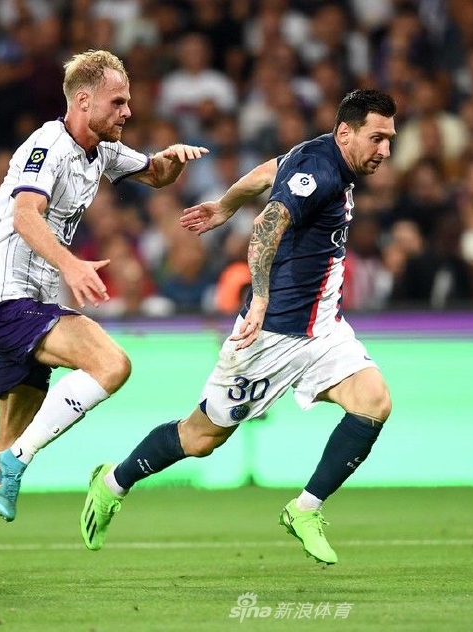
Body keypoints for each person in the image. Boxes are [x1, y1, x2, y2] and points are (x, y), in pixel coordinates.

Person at [0, 49, 207, 588]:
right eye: (118, 102)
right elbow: (25, 214)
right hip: (9, 303)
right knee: (112, 365)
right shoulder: (47, 146)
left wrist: (173, 160)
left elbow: (156, 173)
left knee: (4, 441)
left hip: (25, 307)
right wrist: (70, 264)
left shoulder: (101, 150)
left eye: (128, 102)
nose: (128, 111)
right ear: (83, 101)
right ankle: (16, 463)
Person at [79, 89, 396, 565]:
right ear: (346, 132)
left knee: (374, 402)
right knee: (200, 438)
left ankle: (304, 510)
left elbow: (270, 172)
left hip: (324, 329)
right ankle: (112, 482)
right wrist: (260, 296)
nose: (385, 150)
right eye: (377, 138)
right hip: (272, 336)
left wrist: (225, 205)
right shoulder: (323, 172)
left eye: (390, 139)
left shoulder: (321, 153)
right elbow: (268, 224)